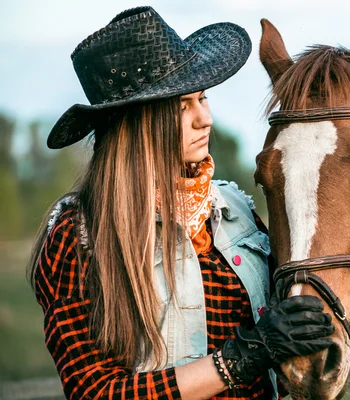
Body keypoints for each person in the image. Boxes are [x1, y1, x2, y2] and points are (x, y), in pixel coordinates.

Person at [28, 7, 334, 400]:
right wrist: (243, 356)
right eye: (181, 104)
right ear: (137, 123)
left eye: (203, 98)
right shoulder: (80, 235)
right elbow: (96, 392)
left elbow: (299, 321)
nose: (204, 118)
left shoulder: (235, 211)